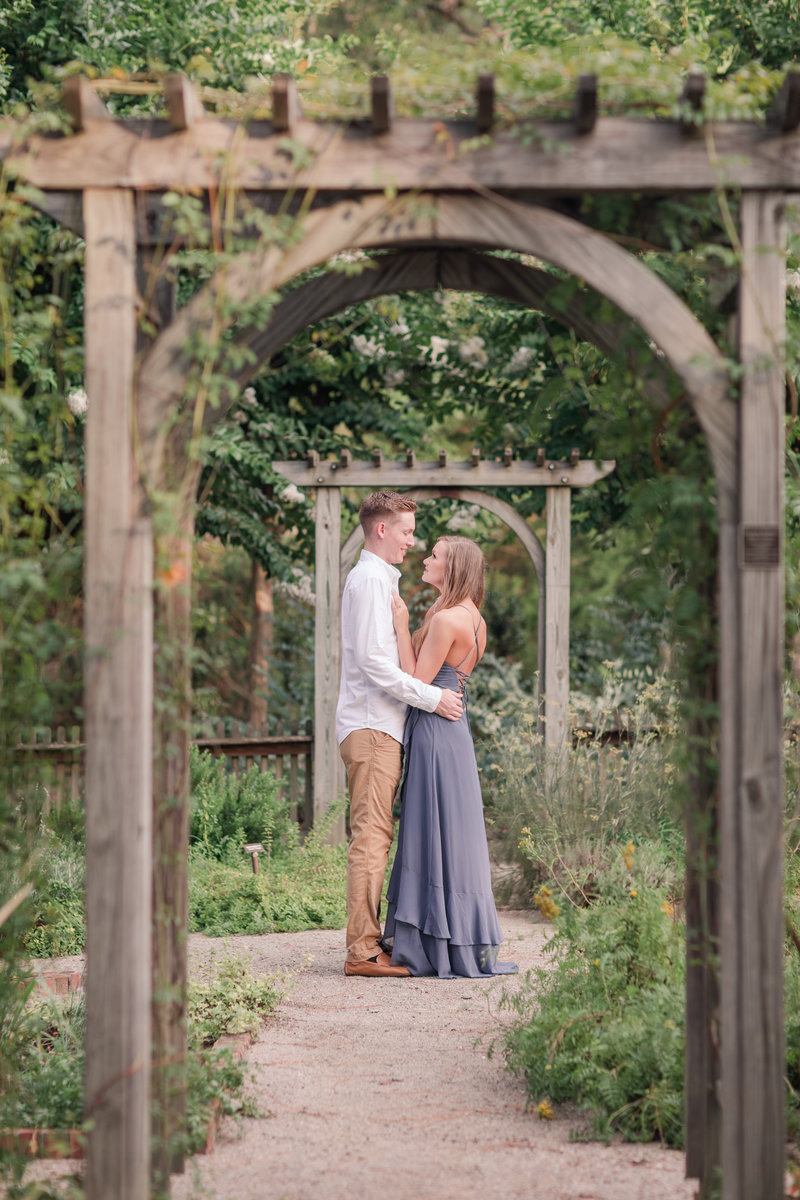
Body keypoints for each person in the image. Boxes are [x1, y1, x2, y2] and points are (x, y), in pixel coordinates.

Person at [336, 491, 464, 979]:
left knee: (376, 836)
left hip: (378, 726)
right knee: (371, 838)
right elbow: (372, 663)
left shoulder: (378, 580)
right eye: (408, 531)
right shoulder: (369, 580)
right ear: (382, 529)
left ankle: (369, 944)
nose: (413, 541)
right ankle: (363, 953)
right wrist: (432, 699)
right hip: (372, 726)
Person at [383, 535, 517, 978]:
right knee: (453, 834)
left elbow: (415, 684)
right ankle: (459, 940)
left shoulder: (444, 621)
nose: (426, 559)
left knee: (428, 827)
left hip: (435, 732)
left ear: (453, 567)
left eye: (435, 556)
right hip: (455, 732)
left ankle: (428, 944)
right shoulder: (473, 619)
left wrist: (401, 627)